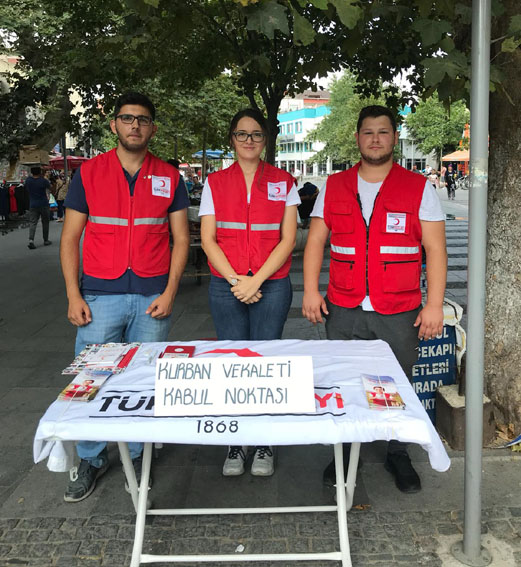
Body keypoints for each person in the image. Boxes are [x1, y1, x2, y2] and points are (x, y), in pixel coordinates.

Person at [302, 105, 447, 493]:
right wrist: (312, 291)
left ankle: (396, 452)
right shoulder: (334, 185)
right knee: (343, 383)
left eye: (383, 132)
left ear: (394, 138)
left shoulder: (419, 187)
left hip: (399, 309)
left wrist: (434, 304)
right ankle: (344, 452)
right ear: (357, 138)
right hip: (344, 306)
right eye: (368, 133)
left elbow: (435, 249)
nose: (376, 139)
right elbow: (316, 240)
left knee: (397, 386)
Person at [60, 91, 190, 502]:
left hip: (153, 296)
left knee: (147, 379)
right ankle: (91, 457)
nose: (135, 125)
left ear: (153, 128)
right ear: (114, 125)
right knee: (92, 378)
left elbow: (182, 239)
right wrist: (72, 295)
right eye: (127, 118)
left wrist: (171, 292)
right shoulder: (90, 173)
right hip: (100, 295)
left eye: (144, 120)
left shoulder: (170, 177)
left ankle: (137, 452)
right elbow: (69, 239)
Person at [199, 108, 300, 477]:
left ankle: (264, 441)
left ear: (266, 139)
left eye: (256, 134)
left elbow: (289, 238)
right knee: (232, 363)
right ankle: (235, 440)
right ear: (232, 139)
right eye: (242, 134)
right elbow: (209, 239)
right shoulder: (215, 183)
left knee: (266, 362)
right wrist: (236, 281)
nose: (249, 141)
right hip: (227, 285)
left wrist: (255, 281)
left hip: (270, 285)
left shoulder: (283, 180)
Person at [25, 166, 52, 249]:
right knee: (45, 222)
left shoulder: (28, 181)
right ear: (40, 172)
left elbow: (26, 188)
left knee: (33, 222)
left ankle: (31, 240)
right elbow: (49, 187)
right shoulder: (43, 181)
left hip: (33, 204)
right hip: (43, 203)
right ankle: (46, 240)